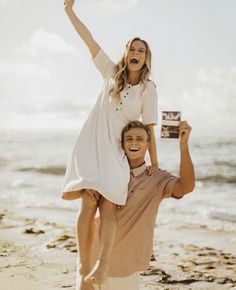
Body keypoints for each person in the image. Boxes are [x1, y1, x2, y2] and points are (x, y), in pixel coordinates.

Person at [62, 0, 159, 289]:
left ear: (146, 59)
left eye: (141, 51)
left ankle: (101, 267)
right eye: (132, 49)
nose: (136, 54)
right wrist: (69, 11)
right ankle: (82, 265)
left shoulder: (148, 89)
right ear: (126, 53)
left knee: (110, 207)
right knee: (88, 202)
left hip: (116, 153)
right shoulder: (109, 71)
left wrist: (153, 162)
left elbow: (150, 128)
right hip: (92, 146)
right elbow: (88, 39)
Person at [85, 120, 195, 290]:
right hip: (93, 259)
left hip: (125, 266)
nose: (134, 142)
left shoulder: (157, 178)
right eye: (129, 139)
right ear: (122, 144)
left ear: (148, 145)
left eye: (139, 139)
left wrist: (184, 146)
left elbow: (186, 186)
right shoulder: (106, 173)